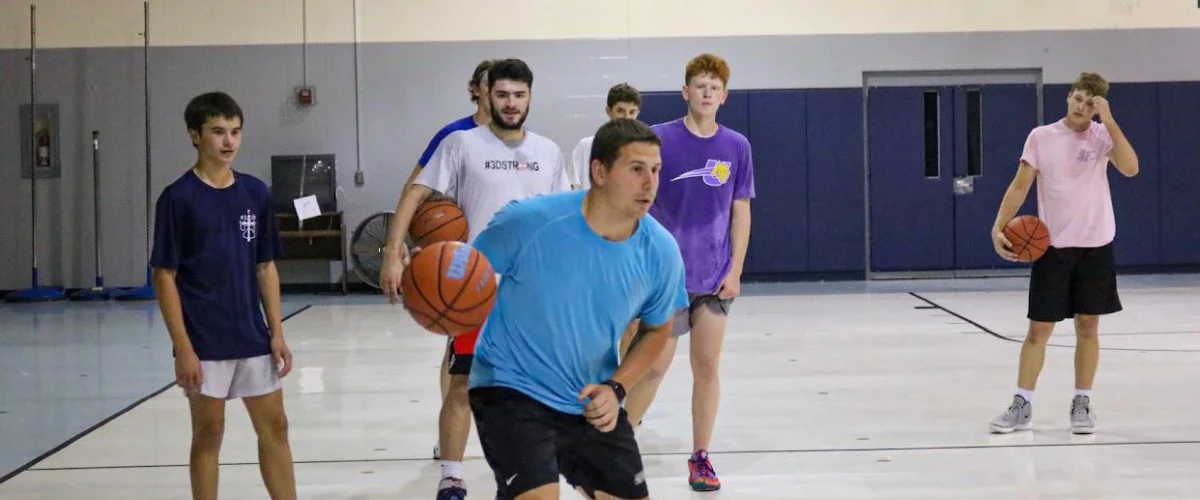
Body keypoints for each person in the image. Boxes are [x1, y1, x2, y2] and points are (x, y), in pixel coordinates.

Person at [465, 118, 689, 500]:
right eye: (636, 169)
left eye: (655, 170)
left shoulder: (661, 251)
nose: (650, 183)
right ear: (599, 171)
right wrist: (427, 273)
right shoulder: (528, 222)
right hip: (511, 388)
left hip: (588, 396)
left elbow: (657, 329)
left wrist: (617, 387)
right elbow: (464, 274)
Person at [377, 57, 570, 500]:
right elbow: (415, 193)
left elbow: (565, 216)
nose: (510, 103)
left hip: (532, 290)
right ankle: (451, 476)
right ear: (486, 95)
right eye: (502, 94)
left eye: (519, 95)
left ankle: (531, 472)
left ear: (530, 98)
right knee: (464, 383)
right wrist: (393, 250)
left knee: (536, 388)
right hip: (473, 285)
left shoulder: (548, 152)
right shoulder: (461, 143)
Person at [150, 91, 297, 500]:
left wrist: (277, 331)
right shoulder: (177, 198)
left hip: (252, 335)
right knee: (209, 434)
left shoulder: (254, 193)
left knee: (276, 426)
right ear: (194, 136)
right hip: (205, 340)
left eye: (235, 132)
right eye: (218, 132)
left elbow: (265, 266)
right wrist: (183, 346)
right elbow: (165, 275)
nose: (228, 141)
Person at [622, 53, 754, 492]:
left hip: (714, 278)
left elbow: (741, 211)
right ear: (685, 92)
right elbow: (636, 202)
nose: (707, 93)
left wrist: (735, 268)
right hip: (664, 279)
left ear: (725, 96)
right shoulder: (659, 140)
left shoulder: (737, 146)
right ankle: (619, 447)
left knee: (707, 368)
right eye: (699, 86)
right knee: (652, 369)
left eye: (715, 88)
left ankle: (700, 457)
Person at [988, 71, 1138, 435]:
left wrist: (1111, 121)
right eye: (1079, 99)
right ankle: (1022, 404)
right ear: (1069, 96)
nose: (1082, 108)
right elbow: (1020, 185)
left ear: (1097, 108)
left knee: (1089, 326)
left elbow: (1131, 168)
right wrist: (998, 227)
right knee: (1038, 329)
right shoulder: (1041, 137)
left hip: (1095, 246)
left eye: (1091, 104)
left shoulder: (1103, 136)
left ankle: (1082, 403)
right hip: (1052, 248)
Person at [395, 58, 496, 461]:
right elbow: (415, 187)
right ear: (476, 89)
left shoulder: (522, 144)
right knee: (457, 359)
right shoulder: (455, 135)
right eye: (491, 87)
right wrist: (401, 240)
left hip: (510, 272)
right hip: (460, 265)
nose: (497, 95)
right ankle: (450, 437)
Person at [569, 83, 642, 190]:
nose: (626, 118)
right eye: (620, 111)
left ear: (638, 113)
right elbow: (572, 189)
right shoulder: (586, 147)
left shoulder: (643, 151)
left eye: (632, 112)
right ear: (609, 111)